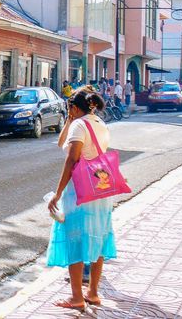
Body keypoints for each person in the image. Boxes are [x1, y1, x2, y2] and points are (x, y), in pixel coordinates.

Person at [48, 87, 116, 311]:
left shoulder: (80, 125)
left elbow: (71, 160)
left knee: (75, 240)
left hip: (80, 191)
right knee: (98, 238)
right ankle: (93, 293)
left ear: (75, 107)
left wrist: (57, 194)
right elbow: (62, 143)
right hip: (100, 188)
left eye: (70, 108)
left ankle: (76, 298)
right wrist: (71, 117)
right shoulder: (99, 122)